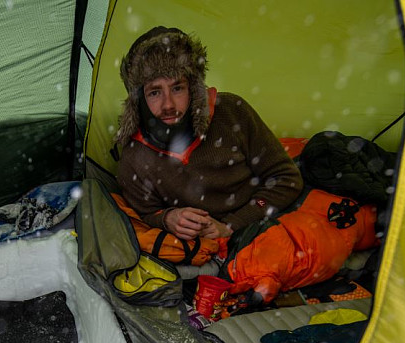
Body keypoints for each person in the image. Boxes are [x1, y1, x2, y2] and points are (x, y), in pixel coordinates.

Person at [115, 26, 303, 242]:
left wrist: (231, 225)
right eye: (155, 92)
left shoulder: (232, 112)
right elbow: (147, 214)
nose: (168, 104)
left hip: (257, 216)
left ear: (193, 88)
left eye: (177, 88)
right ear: (139, 98)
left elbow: (286, 179)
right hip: (201, 247)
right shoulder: (133, 157)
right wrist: (168, 218)